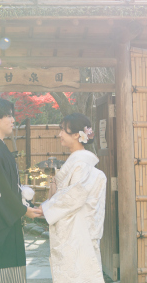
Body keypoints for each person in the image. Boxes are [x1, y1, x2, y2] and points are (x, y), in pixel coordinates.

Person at [0, 98, 42, 283]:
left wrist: (24, 205)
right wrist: (22, 210)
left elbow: (6, 188)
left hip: (3, 223)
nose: (13, 120)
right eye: (9, 116)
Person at [39, 113, 106, 283]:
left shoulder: (82, 163)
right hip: (73, 232)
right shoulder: (78, 161)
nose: (59, 134)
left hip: (77, 233)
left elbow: (75, 196)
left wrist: (45, 208)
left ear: (76, 135)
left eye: (63, 130)